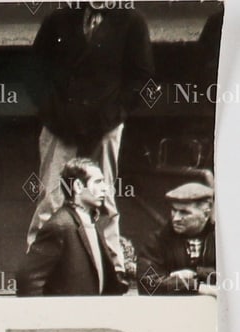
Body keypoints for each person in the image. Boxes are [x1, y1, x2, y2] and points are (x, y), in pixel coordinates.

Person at [27, 4, 154, 272]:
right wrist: (54, 116)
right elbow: (34, 72)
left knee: (103, 195)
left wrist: (112, 116)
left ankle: (113, 268)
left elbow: (141, 78)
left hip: (105, 125)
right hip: (60, 124)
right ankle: (40, 267)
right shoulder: (59, 19)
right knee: (51, 196)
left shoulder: (131, 21)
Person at [17, 158, 125, 297]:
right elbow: (27, 279)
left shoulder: (91, 221)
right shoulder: (60, 225)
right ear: (78, 186)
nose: (105, 188)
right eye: (98, 182)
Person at [137, 182, 216, 295]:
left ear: (206, 214)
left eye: (184, 212)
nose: (176, 218)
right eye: (174, 210)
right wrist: (195, 286)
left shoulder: (221, 240)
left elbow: (232, 274)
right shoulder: (157, 241)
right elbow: (147, 283)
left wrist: (195, 273)